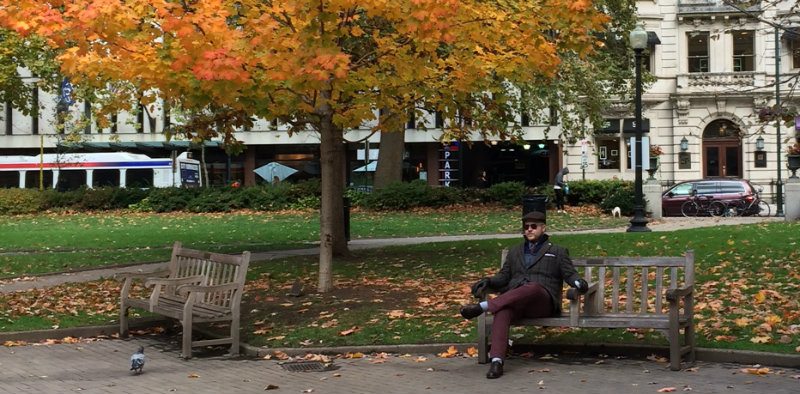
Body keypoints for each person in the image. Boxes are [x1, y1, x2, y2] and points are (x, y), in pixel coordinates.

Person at [459, 211, 587, 379]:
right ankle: (497, 361)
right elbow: (504, 277)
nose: (529, 230)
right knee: (502, 310)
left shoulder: (557, 251)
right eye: (526, 227)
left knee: (533, 287)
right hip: (516, 300)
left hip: (542, 301)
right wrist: (488, 281)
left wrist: (579, 282)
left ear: (543, 228)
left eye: (533, 226)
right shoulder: (515, 251)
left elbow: (570, 274)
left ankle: (483, 307)